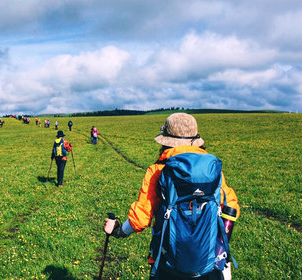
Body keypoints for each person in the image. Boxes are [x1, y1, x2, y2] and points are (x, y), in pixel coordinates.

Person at [103, 113, 240, 280]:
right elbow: (231, 206)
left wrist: (118, 230)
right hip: (209, 263)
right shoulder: (212, 171)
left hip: (168, 263)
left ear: (166, 140)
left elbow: (140, 219)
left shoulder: (158, 170)